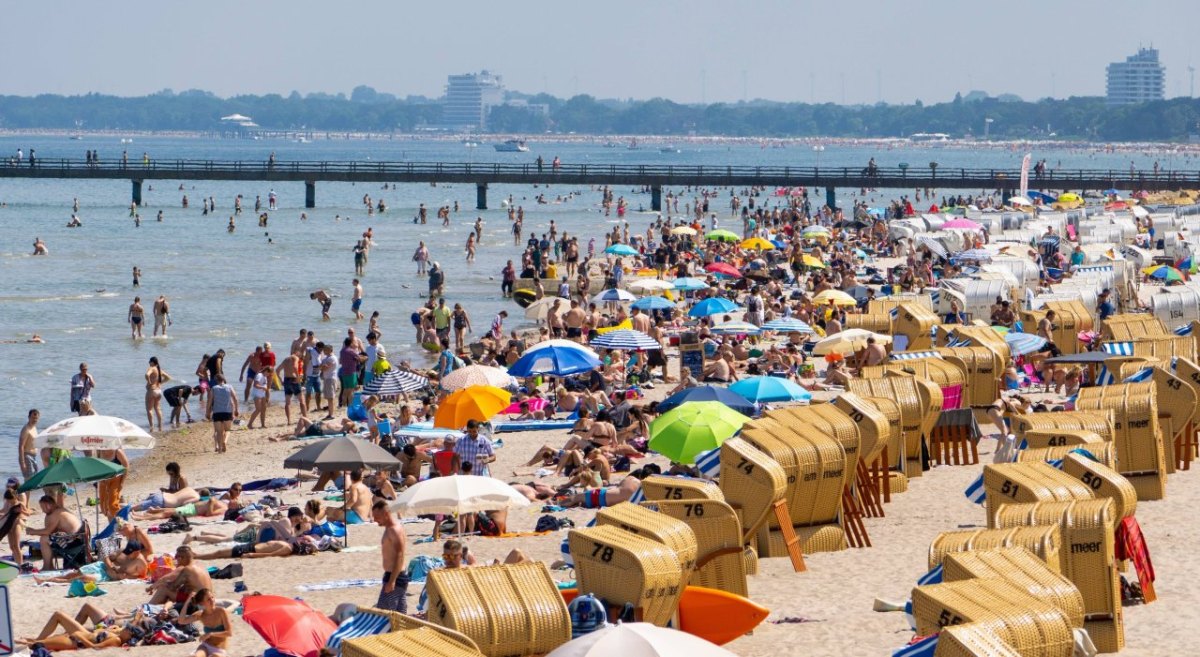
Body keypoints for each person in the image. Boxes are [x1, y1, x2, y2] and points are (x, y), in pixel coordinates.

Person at [25, 494, 83, 571]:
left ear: (48, 505)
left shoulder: (56, 513)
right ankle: (50, 566)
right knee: (49, 538)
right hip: (79, 540)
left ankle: (47, 567)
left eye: (42, 507)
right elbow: (52, 531)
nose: (42, 510)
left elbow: (48, 531)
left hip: (73, 543)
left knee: (44, 539)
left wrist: (32, 531)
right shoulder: (61, 510)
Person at [373, 499, 409, 612]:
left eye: (377, 516)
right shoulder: (391, 529)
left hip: (395, 576)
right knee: (399, 615)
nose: (375, 520)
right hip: (395, 576)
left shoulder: (394, 530)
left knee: (385, 616)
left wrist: (392, 581)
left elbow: (400, 555)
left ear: (386, 514)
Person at [146, 545, 212, 607]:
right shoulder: (201, 566)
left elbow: (173, 587)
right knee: (177, 590)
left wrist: (157, 585)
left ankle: (147, 607)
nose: (175, 560)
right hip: (209, 599)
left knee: (163, 588)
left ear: (180, 558)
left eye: (176, 557)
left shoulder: (187, 569)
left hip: (198, 602)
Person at [178, 588, 233, 657]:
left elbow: (229, 633)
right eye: (208, 599)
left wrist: (210, 634)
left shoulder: (221, 611)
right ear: (202, 603)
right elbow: (181, 621)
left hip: (219, 649)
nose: (212, 600)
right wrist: (187, 601)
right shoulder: (201, 615)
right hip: (206, 646)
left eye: (212, 597)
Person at [207, 375, 238, 453]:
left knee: (218, 431)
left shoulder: (213, 388)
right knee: (227, 430)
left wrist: (207, 412)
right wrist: (236, 410)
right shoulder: (229, 387)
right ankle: (225, 441)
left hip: (217, 413)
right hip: (227, 412)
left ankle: (220, 449)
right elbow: (235, 399)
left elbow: (209, 401)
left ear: (216, 380)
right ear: (224, 379)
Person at [144, 356, 171, 431]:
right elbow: (168, 377)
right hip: (159, 391)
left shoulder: (152, 368)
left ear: (152, 362)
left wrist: (149, 383)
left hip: (152, 390)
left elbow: (147, 375)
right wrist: (160, 382)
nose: (149, 363)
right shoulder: (159, 370)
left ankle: (151, 426)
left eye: (150, 361)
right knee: (158, 408)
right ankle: (160, 425)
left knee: (149, 409)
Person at [19, 409, 39, 480]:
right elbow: (21, 446)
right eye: (33, 418)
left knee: (34, 479)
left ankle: (26, 491)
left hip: (34, 457)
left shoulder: (34, 428)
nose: (35, 420)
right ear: (29, 417)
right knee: (29, 479)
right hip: (26, 456)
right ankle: (24, 491)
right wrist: (22, 463)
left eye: (36, 418)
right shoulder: (26, 429)